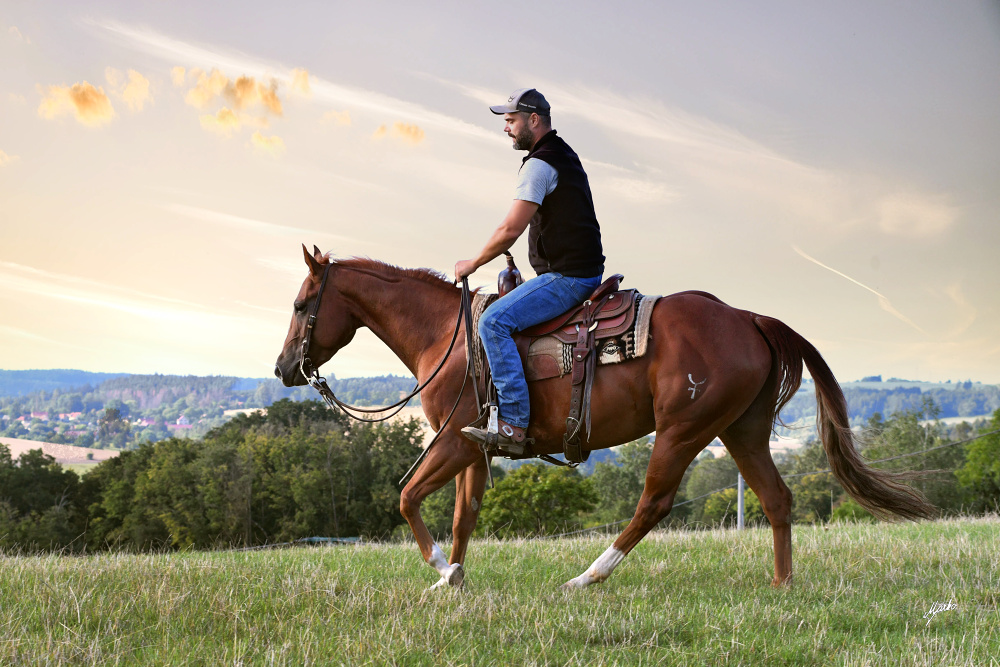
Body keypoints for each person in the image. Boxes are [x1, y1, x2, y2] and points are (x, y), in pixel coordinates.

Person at [455, 88, 605, 454]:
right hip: (577, 269)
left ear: (533, 120)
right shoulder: (562, 153)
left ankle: (513, 425)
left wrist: (472, 263)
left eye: (510, 121)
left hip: (568, 278)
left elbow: (510, 229)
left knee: (492, 322)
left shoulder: (539, 164)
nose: (506, 129)